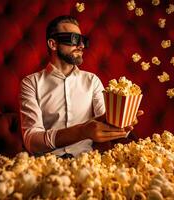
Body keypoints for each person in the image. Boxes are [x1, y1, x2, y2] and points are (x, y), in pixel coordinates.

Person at [20, 15, 143, 157]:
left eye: (83, 40)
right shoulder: (31, 83)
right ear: (53, 44)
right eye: (74, 39)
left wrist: (123, 119)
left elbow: (106, 122)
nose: (81, 45)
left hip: (87, 163)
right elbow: (32, 141)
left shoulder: (92, 81)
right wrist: (82, 131)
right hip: (46, 164)